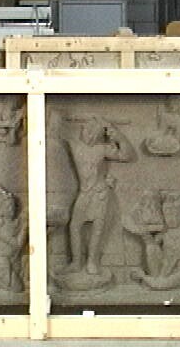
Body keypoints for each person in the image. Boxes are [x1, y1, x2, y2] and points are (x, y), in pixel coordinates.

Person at [64, 117, 136, 275]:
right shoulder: (75, 145)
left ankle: (92, 262)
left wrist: (117, 135)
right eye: (86, 129)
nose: (88, 134)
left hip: (100, 192)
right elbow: (60, 132)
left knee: (98, 228)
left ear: (98, 134)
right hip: (84, 192)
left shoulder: (102, 149)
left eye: (93, 131)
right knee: (74, 226)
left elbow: (127, 155)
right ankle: (76, 262)